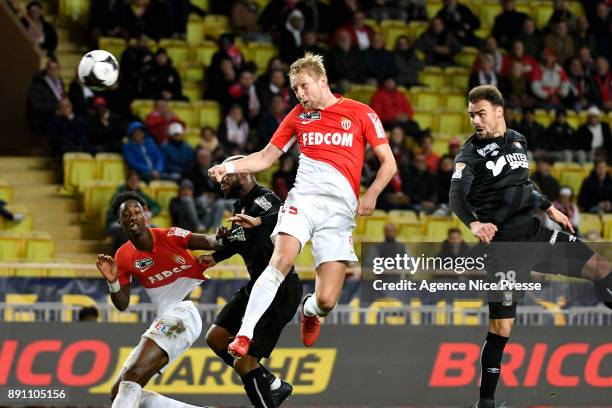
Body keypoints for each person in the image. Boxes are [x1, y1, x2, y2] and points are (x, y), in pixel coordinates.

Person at [208, 53, 396, 356]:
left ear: (322, 81)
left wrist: (372, 193)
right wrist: (229, 167)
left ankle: (310, 311)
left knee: (327, 300)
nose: (300, 94)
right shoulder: (297, 115)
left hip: (339, 211)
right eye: (295, 89)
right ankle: (244, 334)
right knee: (280, 261)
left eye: (304, 86)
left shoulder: (361, 113)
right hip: (303, 200)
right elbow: (267, 156)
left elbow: (389, 163)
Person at [449, 85, 612, 408]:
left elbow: (523, 183)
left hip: (536, 235)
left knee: (601, 267)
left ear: (499, 111)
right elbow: (456, 197)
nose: (476, 121)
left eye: (481, 113)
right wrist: (474, 223)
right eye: (471, 115)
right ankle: (486, 402)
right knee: (502, 326)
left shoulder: (518, 140)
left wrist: (550, 207)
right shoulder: (468, 156)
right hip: (504, 249)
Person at [97, 191, 217, 408]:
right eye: (127, 214)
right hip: (165, 318)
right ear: (120, 222)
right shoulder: (123, 256)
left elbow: (208, 241)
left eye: (137, 211)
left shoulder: (169, 235)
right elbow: (122, 304)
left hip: (183, 316)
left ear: (146, 215)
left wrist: (228, 237)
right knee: (118, 392)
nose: (133, 216)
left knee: (132, 377)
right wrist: (113, 282)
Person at [201, 156, 302, 408]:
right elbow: (241, 240)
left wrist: (258, 222)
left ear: (243, 174)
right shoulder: (241, 207)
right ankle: (273, 384)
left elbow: (281, 214)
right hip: (256, 286)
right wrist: (216, 256)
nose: (220, 181)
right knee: (216, 337)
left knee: (243, 362)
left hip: (279, 289)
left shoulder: (264, 198)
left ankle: (269, 388)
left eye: (226, 175)